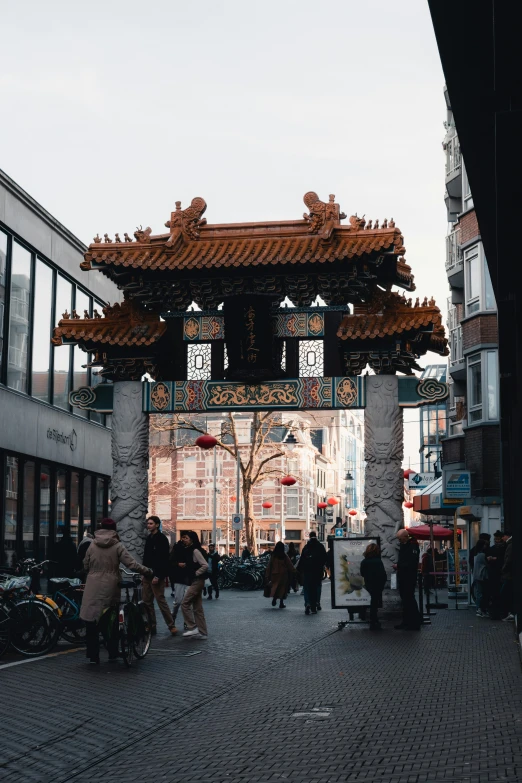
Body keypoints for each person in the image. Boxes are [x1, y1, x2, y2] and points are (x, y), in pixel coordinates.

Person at [80, 518, 152, 664]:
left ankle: (93, 655)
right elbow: (131, 564)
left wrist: (93, 571)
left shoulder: (92, 544)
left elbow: (85, 564)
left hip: (92, 584)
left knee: (91, 619)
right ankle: (112, 652)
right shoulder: (117, 545)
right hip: (110, 585)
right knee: (111, 618)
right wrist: (147, 571)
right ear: (114, 529)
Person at [142, 516, 176, 636]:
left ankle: (171, 625)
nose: (148, 525)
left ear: (157, 525)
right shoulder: (149, 538)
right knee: (147, 602)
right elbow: (146, 557)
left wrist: (158, 575)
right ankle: (151, 626)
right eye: (148, 523)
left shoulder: (161, 539)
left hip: (157, 575)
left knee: (161, 601)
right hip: (147, 574)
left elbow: (163, 559)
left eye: (151, 523)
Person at [180, 532, 209, 639]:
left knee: (185, 603)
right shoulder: (190, 550)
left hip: (197, 581)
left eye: (186, 538)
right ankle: (203, 632)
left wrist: (195, 573)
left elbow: (205, 565)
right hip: (196, 581)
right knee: (197, 608)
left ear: (192, 539)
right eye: (183, 538)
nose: (184, 539)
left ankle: (193, 628)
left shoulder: (195, 551)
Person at [395, 529, 422, 631]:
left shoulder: (412, 547)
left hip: (409, 577)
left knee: (409, 599)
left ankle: (414, 622)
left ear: (405, 537)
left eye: (400, 539)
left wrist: (398, 566)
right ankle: (406, 621)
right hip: (403, 576)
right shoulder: (405, 546)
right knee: (405, 600)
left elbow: (411, 563)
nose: (399, 541)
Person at [297, 532, 327, 614]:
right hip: (318, 571)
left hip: (308, 571)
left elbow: (302, 559)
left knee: (307, 587)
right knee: (317, 587)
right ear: (316, 537)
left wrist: (300, 570)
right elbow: (325, 558)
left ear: (309, 537)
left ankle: (307, 603)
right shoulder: (320, 546)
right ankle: (317, 602)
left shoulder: (307, 547)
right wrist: (322, 565)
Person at [360, 543, 387, 630]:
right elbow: (383, 574)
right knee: (375, 602)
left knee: (373, 602)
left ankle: (373, 620)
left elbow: (362, 573)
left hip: (369, 583)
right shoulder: (378, 561)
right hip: (378, 583)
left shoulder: (364, 561)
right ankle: (374, 620)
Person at [169, 537, 193, 628]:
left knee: (187, 602)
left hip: (189, 578)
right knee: (178, 601)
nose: (186, 540)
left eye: (188, 538)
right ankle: (173, 616)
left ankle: (187, 621)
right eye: (185, 538)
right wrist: (178, 564)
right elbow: (170, 561)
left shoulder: (193, 549)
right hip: (179, 577)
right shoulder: (177, 548)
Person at [265, 541, 296, 609]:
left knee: (275, 588)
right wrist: (294, 571)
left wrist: (267, 575)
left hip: (274, 574)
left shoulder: (273, 555)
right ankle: (281, 603)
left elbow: (269, 565)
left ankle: (274, 599)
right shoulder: (284, 556)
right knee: (282, 589)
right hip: (283, 575)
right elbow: (289, 565)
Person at [487, 530, 506, 618]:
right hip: (495, 573)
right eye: (495, 539)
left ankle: (497, 612)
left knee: (498, 593)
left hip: (499, 573)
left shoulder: (502, 548)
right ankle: (495, 612)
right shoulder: (495, 548)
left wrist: (494, 559)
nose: (496, 541)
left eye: (498, 539)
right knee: (495, 593)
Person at [472, 539, 489, 617]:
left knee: (479, 593)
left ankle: (479, 609)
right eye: (485, 545)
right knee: (480, 593)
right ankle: (479, 609)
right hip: (481, 576)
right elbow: (487, 563)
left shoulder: (476, 554)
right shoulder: (482, 555)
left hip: (477, 576)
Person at [500, 530, 514, 622]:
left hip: (509, 575)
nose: (502, 538)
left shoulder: (510, 545)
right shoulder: (510, 544)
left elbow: (508, 559)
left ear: (506, 536)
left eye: (503, 536)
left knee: (505, 593)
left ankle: (510, 612)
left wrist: (503, 569)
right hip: (509, 574)